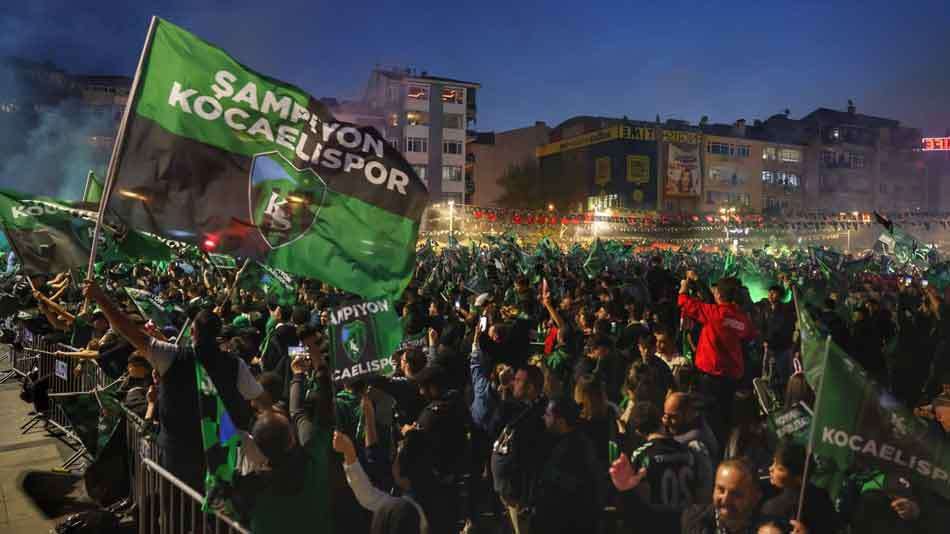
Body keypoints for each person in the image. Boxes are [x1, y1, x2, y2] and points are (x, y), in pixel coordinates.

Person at [677, 273, 757, 439]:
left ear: (719, 295)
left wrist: (683, 288)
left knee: (710, 421)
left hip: (710, 379)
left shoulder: (715, 314)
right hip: (731, 379)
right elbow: (749, 333)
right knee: (726, 418)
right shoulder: (742, 319)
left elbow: (686, 303)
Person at [614, 401, 703, 534]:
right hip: (685, 524)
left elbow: (637, 495)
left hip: (656, 524)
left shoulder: (641, 455)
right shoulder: (687, 450)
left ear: (638, 431)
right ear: (661, 421)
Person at [532, 397, 601, 534]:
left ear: (561, 421)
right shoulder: (572, 441)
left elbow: (579, 486)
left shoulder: (575, 448)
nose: (543, 417)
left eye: (548, 414)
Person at [761, 442, 838, 533]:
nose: (770, 469)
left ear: (799, 477)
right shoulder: (822, 495)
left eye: (780, 468)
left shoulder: (773, 508)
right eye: (774, 462)